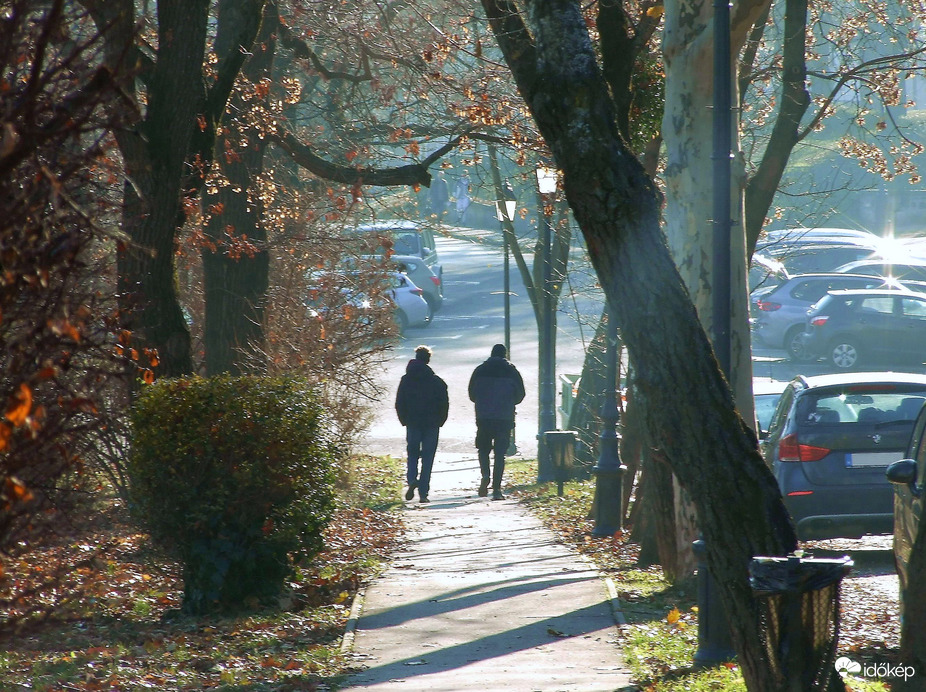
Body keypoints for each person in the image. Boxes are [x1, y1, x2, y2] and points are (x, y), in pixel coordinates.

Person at [468, 344, 525, 500]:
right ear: (505, 355)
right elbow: (520, 395)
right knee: (500, 453)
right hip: (504, 417)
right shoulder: (512, 372)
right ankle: (497, 490)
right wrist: (509, 401)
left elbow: (472, 394)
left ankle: (485, 475)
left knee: (483, 449)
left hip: (484, 416)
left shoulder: (479, 370)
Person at [395, 345, 449, 503]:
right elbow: (444, 403)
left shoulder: (406, 380)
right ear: (428, 360)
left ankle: (412, 479)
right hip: (431, 423)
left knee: (412, 453)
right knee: (428, 457)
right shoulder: (436, 381)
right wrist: (441, 420)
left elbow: (399, 402)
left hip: (412, 422)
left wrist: (404, 419)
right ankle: (424, 493)